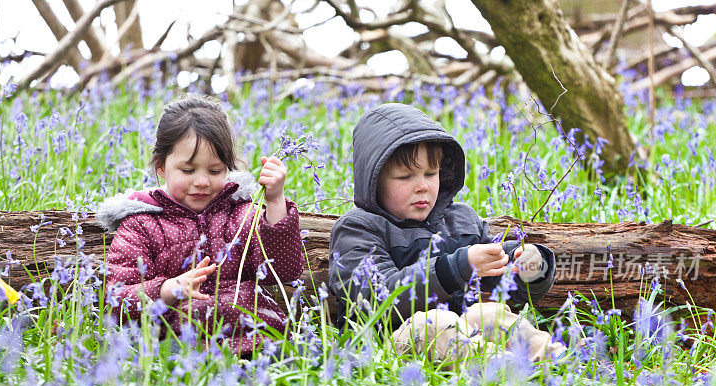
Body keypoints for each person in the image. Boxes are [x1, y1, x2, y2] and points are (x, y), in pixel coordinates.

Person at [328, 103, 563, 362]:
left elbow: (508, 289)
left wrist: (528, 265)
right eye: (405, 177)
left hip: (460, 334)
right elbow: (378, 298)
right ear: (373, 180)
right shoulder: (358, 228)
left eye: (431, 173)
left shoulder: (460, 219)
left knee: (490, 314)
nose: (422, 186)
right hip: (388, 345)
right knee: (434, 323)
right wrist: (456, 268)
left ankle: (552, 359)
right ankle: (494, 365)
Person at [96, 94, 304, 354]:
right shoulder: (142, 224)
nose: (202, 181)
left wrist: (274, 202)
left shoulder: (242, 213)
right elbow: (116, 299)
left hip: (258, 339)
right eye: (188, 170)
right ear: (161, 166)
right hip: (182, 346)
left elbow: (284, 271)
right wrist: (167, 289)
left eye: (215, 171)